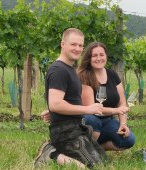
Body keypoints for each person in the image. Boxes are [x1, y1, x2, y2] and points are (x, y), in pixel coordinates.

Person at [34, 28, 105, 169]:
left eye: (80, 45)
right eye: (73, 44)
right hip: (64, 132)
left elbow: (61, 101)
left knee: (102, 162)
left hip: (76, 127)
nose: (77, 48)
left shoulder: (70, 69)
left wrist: (52, 110)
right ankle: (51, 153)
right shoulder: (59, 70)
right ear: (63, 44)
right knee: (86, 167)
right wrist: (87, 109)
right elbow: (56, 104)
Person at [78, 41, 136, 151]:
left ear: (106, 56)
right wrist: (116, 111)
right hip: (90, 122)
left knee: (128, 140)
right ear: (89, 58)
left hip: (107, 121)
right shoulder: (84, 76)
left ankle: (98, 149)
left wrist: (123, 124)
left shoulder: (112, 75)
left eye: (101, 55)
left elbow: (122, 103)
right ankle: (89, 149)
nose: (99, 58)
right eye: (94, 55)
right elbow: (91, 109)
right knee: (91, 120)